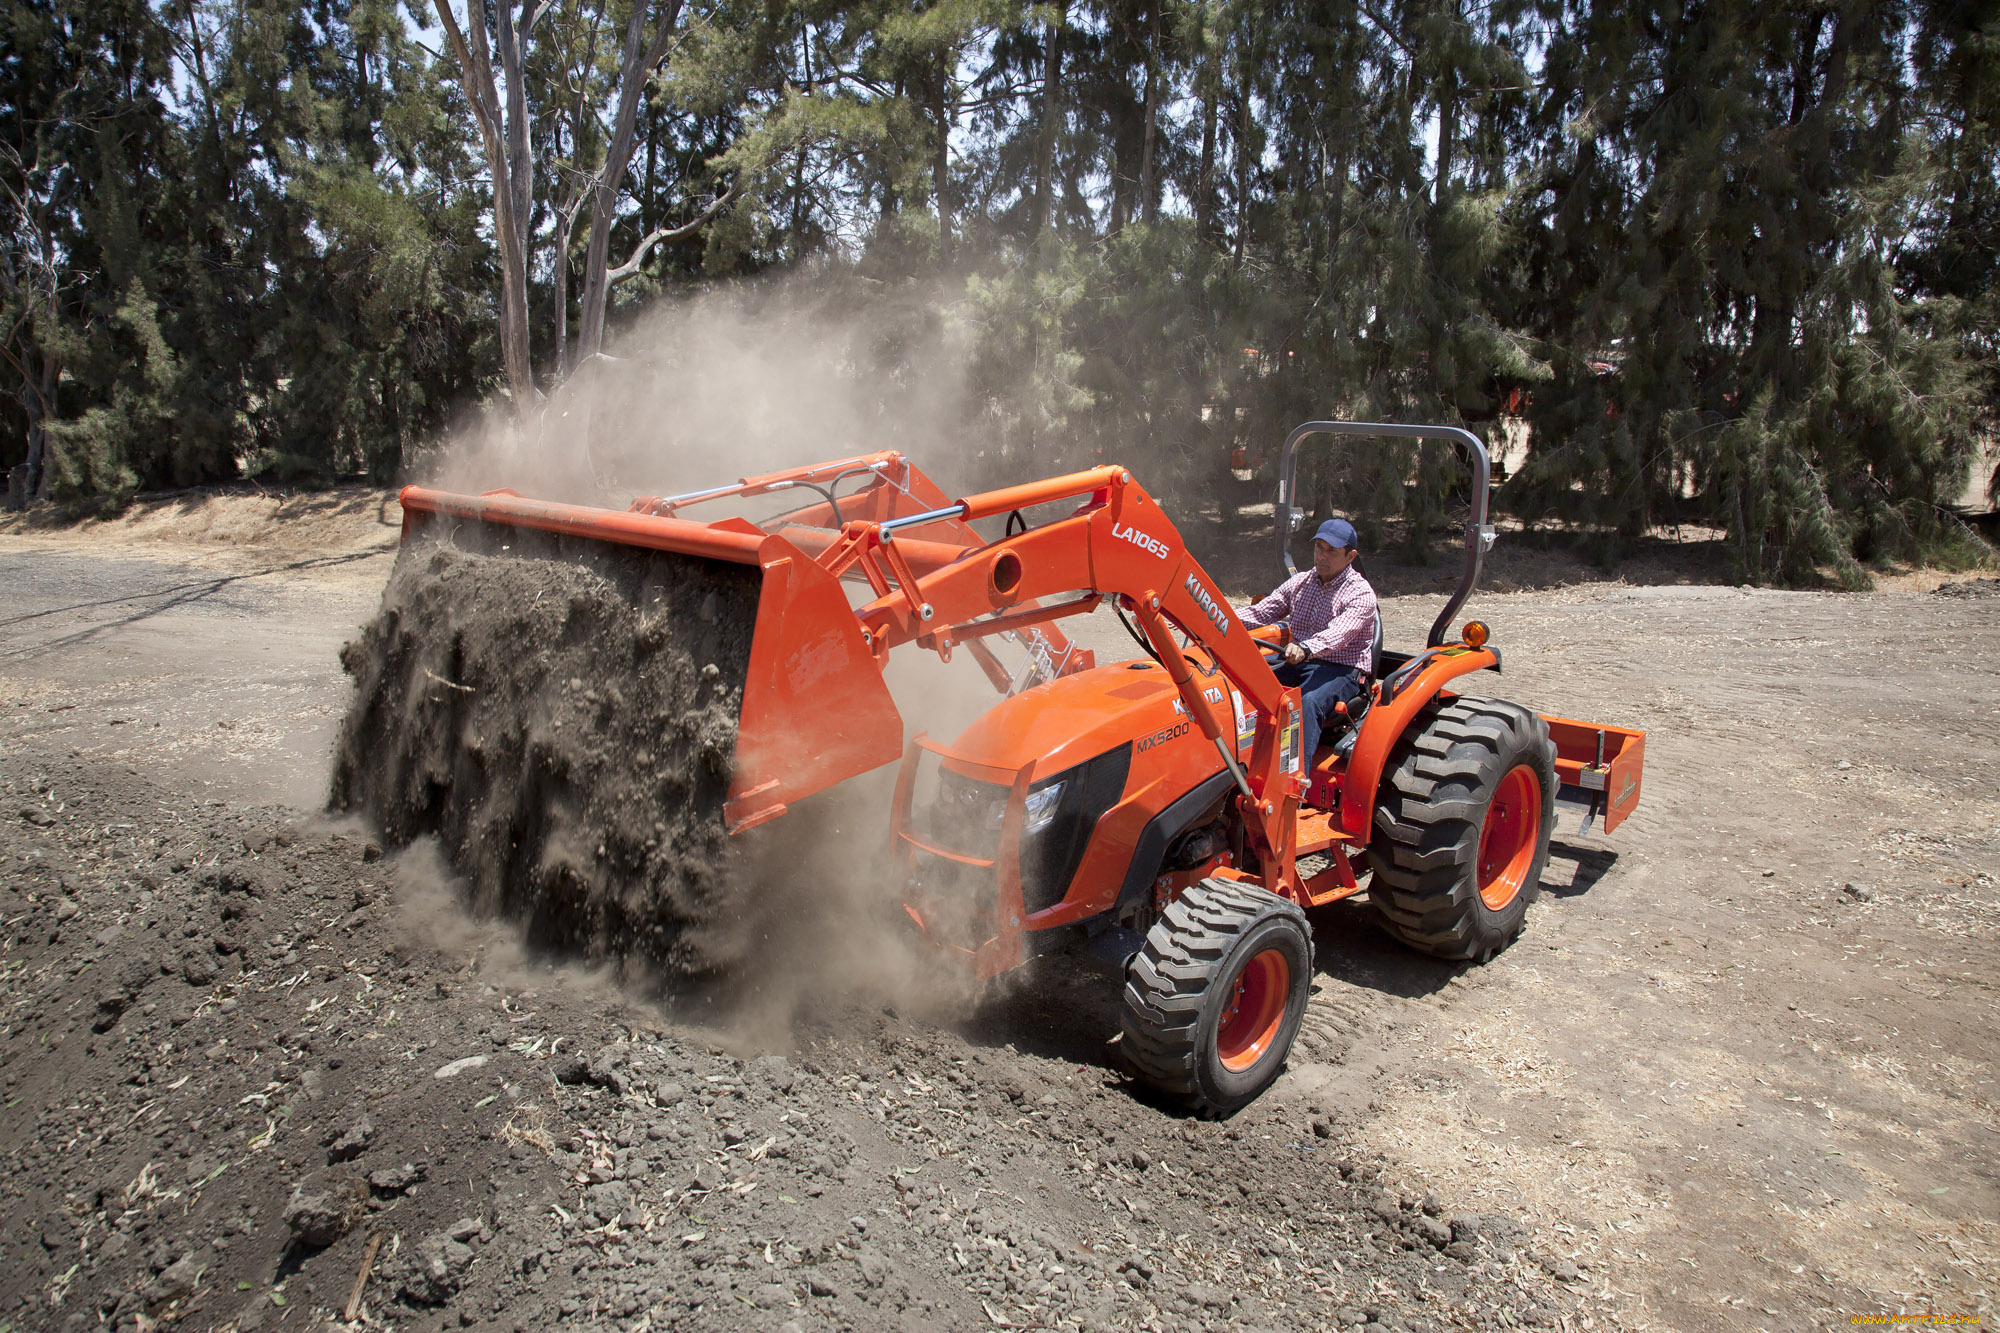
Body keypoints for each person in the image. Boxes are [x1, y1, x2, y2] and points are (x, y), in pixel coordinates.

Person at [1238, 518, 1378, 764]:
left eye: (1331, 551)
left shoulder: (1360, 594)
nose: (1322, 556)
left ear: (1350, 556)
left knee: (1308, 702)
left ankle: (1293, 784)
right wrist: (1212, 617)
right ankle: (1244, 760)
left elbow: (1339, 633)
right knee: (1243, 682)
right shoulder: (1301, 582)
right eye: (1319, 548)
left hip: (1340, 668)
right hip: (1297, 660)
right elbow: (1261, 612)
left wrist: (1306, 647)